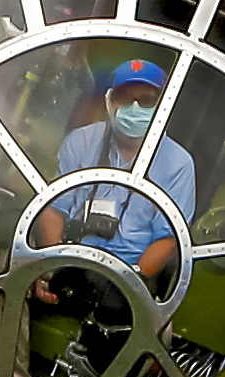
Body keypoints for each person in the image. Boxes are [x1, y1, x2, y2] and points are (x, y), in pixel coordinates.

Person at [27, 56, 192, 293]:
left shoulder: (179, 164)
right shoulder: (81, 141)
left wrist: (129, 283)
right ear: (109, 101)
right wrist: (53, 266)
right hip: (70, 254)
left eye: (147, 101)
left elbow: (169, 239)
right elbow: (53, 207)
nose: (134, 109)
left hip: (130, 272)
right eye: (125, 98)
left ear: (164, 105)